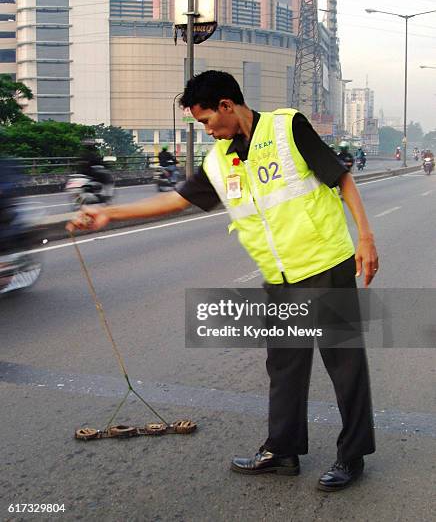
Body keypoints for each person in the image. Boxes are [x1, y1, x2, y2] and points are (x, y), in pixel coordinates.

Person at [68, 70, 379, 492]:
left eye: (207, 120)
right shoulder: (219, 161)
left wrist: (364, 237)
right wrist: (111, 215)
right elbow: (177, 198)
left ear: (227, 106)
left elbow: (341, 178)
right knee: (285, 366)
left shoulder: (288, 128)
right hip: (280, 276)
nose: (207, 129)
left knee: (343, 364)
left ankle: (352, 455)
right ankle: (282, 451)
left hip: (326, 263)